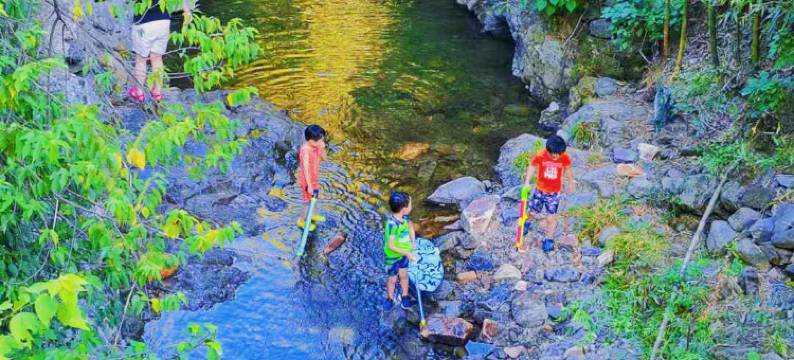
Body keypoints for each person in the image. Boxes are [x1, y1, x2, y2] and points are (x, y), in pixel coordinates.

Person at [128, 0, 193, 102]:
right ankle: (157, 92)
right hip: (164, 22)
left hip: (143, 24)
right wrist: (187, 12)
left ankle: (139, 92)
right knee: (157, 58)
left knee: (141, 59)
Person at [522, 134, 576, 253]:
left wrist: (571, 181)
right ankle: (527, 222)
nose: (556, 156)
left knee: (550, 218)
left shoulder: (564, 157)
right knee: (532, 211)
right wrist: (527, 182)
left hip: (554, 193)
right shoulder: (541, 155)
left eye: (559, 154)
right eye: (554, 154)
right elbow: (532, 166)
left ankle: (549, 239)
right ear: (548, 150)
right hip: (540, 190)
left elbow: (568, 169)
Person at [383, 191, 417, 311]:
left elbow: (411, 227)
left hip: (404, 255)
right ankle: (390, 298)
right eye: (410, 204)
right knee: (392, 279)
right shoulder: (392, 224)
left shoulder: (405, 218)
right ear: (404, 209)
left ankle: (405, 295)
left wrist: (413, 242)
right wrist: (408, 253)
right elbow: (391, 245)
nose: (411, 206)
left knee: (404, 275)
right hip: (393, 257)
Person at [297, 125, 327, 231]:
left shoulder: (317, 146)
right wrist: (309, 185)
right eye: (318, 140)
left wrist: (322, 148)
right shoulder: (305, 150)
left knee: (314, 198)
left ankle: (313, 215)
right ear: (310, 140)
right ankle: (301, 221)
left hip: (314, 179)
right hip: (307, 181)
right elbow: (305, 169)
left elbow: (324, 158)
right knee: (307, 202)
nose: (320, 142)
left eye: (321, 139)